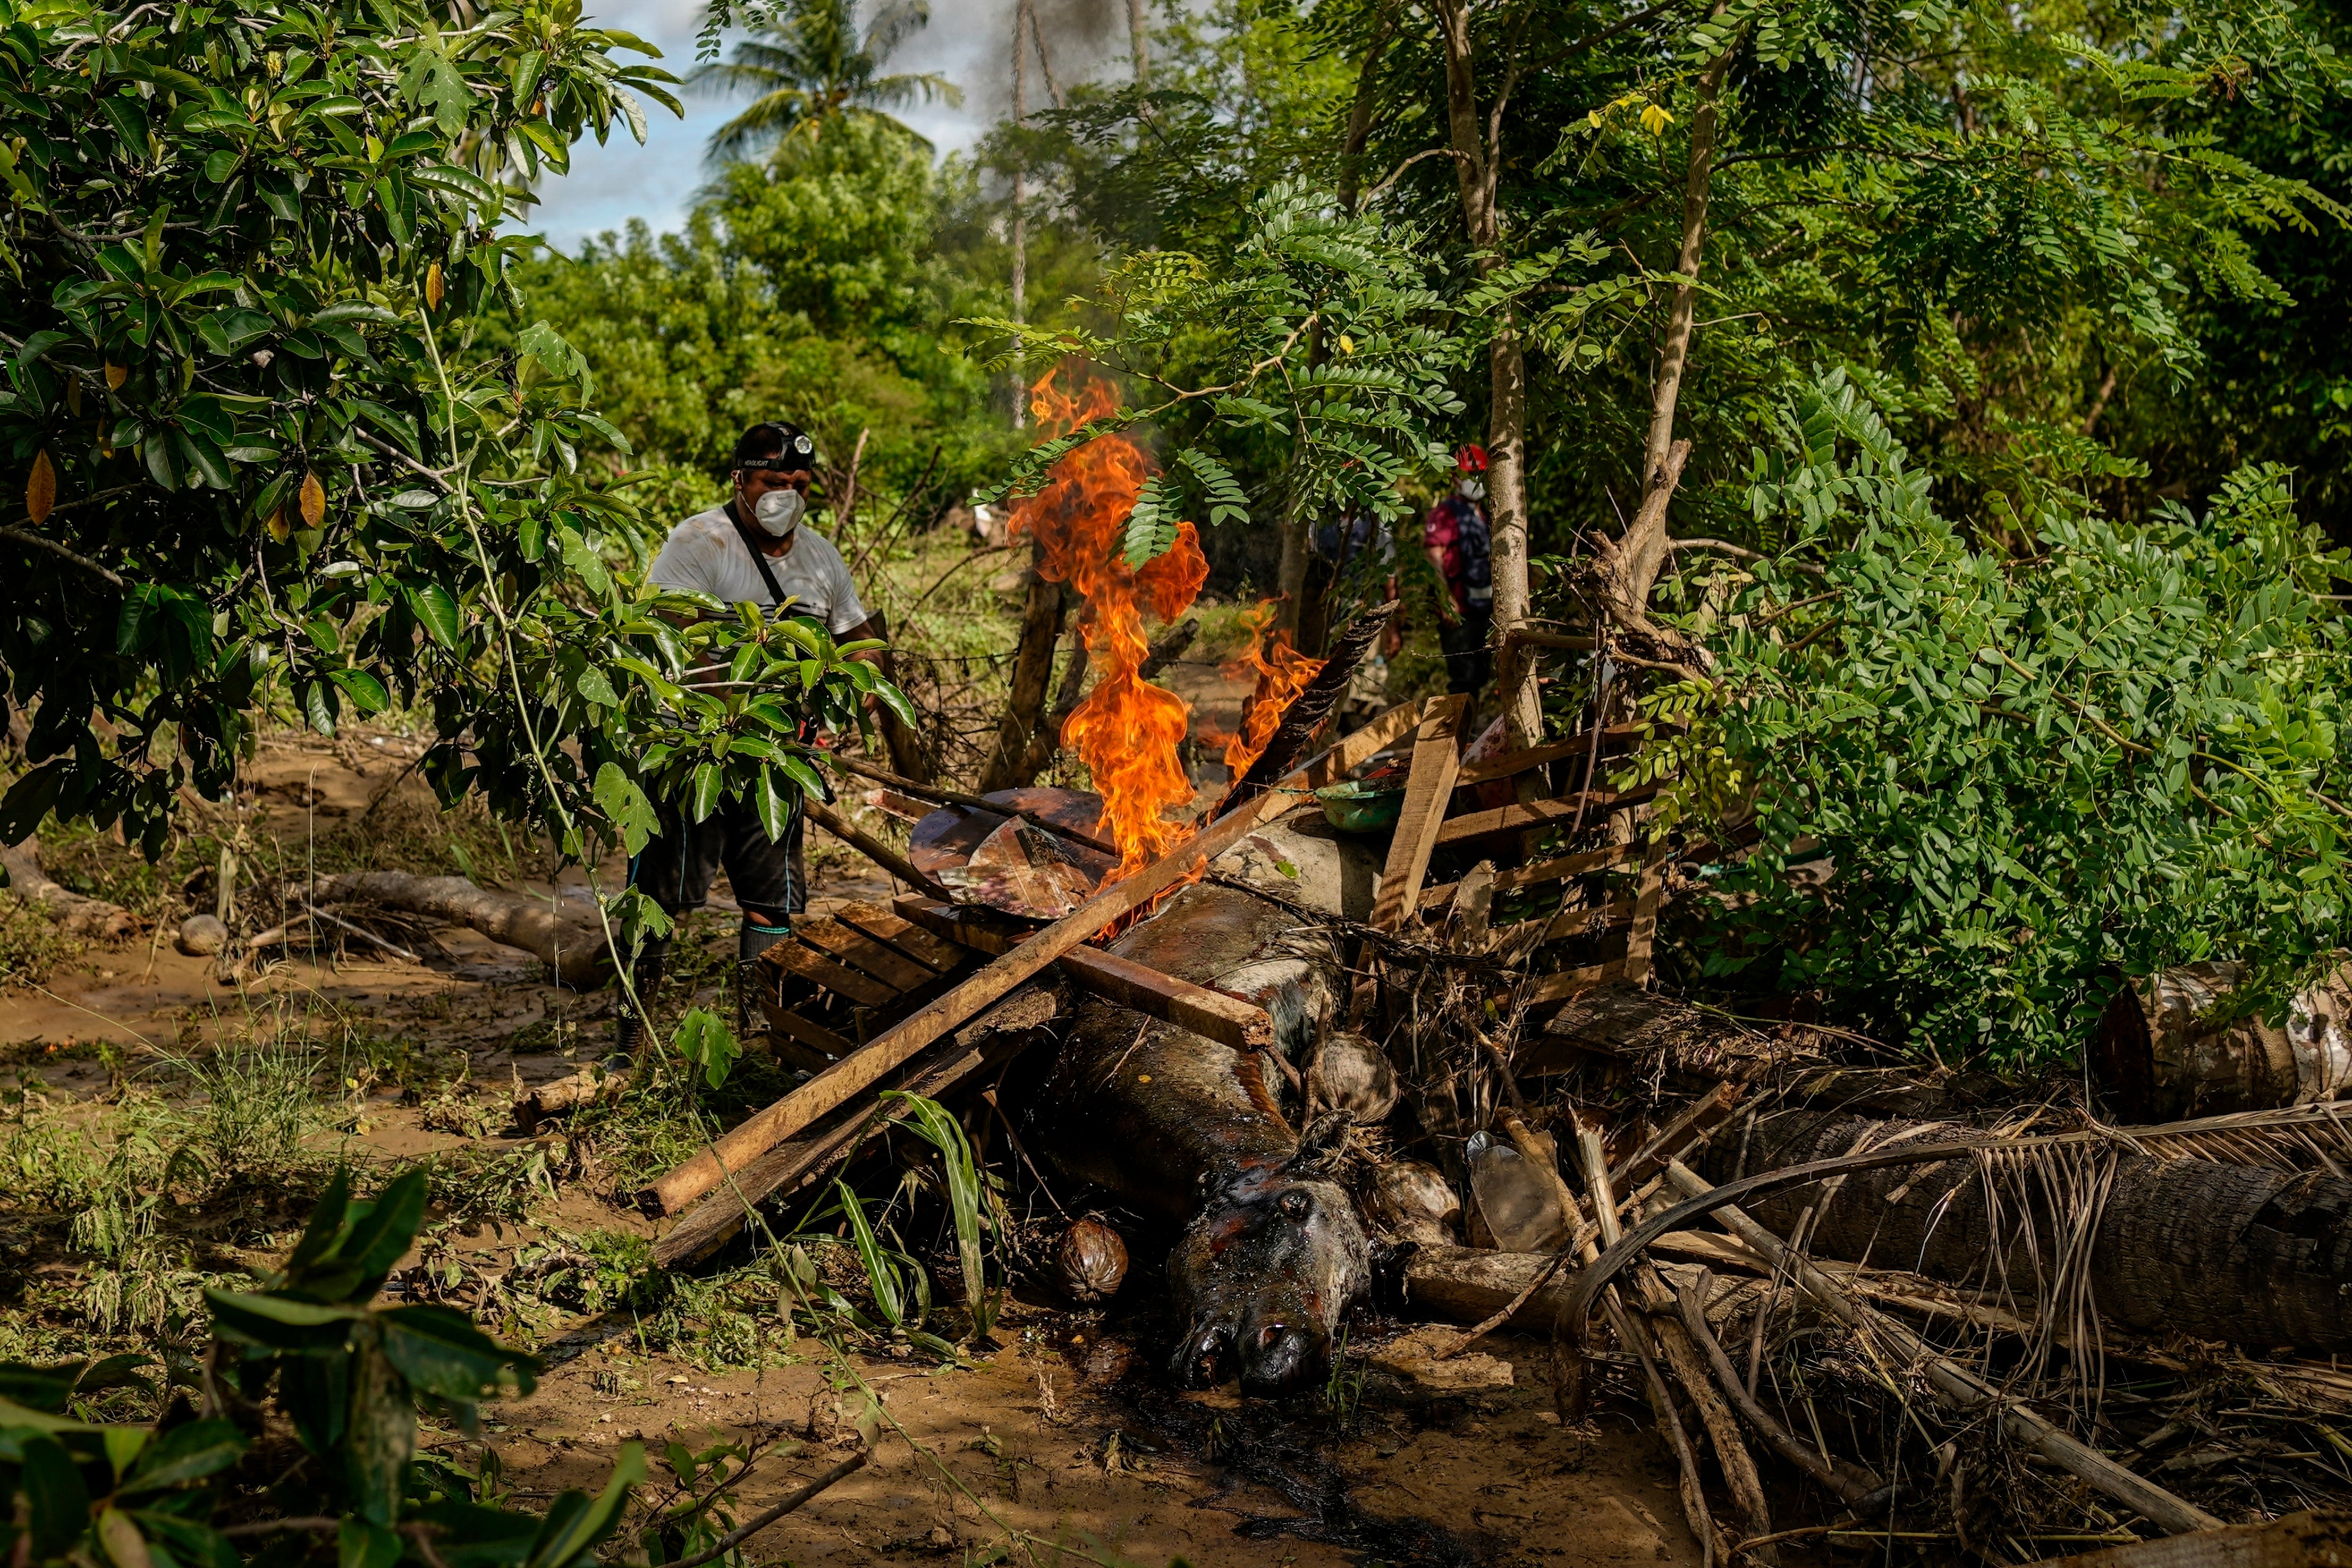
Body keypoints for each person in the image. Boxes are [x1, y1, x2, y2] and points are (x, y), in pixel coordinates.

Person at [616, 420, 886, 1053]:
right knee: (660, 902)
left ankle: (765, 1043)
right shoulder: (700, 542)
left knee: (772, 905)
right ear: (740, 480)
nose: (785, 495)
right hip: (692, 757)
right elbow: (670, 643)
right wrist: (757, 713)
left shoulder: (821, 557)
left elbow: (862, 647)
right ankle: (628, 1047)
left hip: (774, 768)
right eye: (772, 481)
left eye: (798, 483)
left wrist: (843, 705)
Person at [1423, 444, 1495, 699]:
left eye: (1480, 474)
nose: (1475, 481)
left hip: (1485, 609)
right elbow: (1433, 559)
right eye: (1469, 475)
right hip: (1459, 611)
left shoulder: (1485, 514)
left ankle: (1478, 735)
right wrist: (1446, 601)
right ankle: (1457, 736)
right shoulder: (1444, 514)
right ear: (1455, 477)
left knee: (1482, 675)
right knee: (1463, 681)